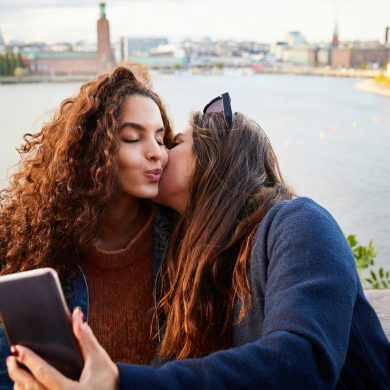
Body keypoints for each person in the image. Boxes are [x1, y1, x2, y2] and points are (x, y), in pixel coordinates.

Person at [6, 93, 390, 389]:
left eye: (173, 142)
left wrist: (120, 382)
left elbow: (302, 363)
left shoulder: (298, 222)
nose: (160, 154)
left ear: (214, 159)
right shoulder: (205, 258)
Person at [0, 66, 175, 388]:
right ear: (92, 151)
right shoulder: (34, 244)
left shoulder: (183, 239)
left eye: (162, 139)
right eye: (133, 138)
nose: (158, 153)